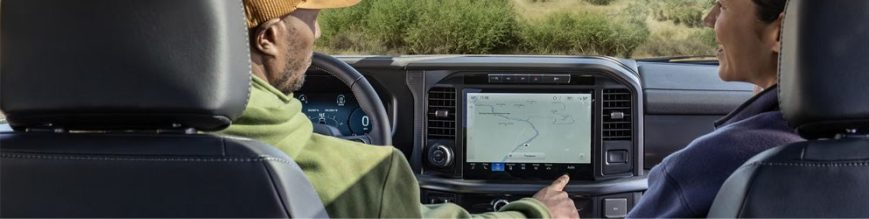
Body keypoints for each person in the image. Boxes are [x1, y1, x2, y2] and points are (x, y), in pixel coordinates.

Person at [216, 0, 579, 218]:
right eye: (311, 17)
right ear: (268, 38)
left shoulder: (160, 141)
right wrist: (538, 210)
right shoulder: (365, 174)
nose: (320, 32)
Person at [627, 0, 803, 218]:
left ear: (780, 34)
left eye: (722, 6)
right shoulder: (854, 145)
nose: (708, 20)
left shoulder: (710, 162)